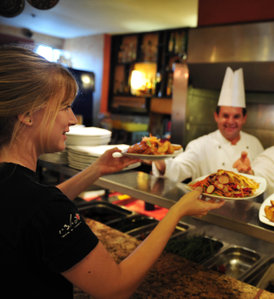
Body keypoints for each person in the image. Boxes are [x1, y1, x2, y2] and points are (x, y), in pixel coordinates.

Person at [0, 45, 225, 298]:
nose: (73, 119)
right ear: (28, 114)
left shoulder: (16, 186)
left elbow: (35, 213)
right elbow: (116, 287)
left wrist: (96, 170)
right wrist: (177, 211)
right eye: (64, 106)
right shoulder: (43, 205)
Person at [153, 67, 264, 182]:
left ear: (244, 118)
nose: (230, 121)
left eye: (236, 116)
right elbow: (179, 167)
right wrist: (161, 163)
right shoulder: (200, 145)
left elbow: (263, 178)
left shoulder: (254, 144)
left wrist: (250, 173)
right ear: (216, 116)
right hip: (206, 200)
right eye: (225, 116)